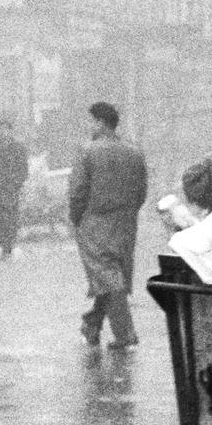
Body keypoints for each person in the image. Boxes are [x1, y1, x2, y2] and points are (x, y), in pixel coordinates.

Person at [68, 102, 148, 350]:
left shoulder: (88, 151)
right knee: (113, 277)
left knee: (109, 278)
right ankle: (91, 326)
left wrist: (76, 218)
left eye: (92, 121)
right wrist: (128, 212)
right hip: (125, 225)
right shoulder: (135, 153)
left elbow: (77, 192)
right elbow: (141, 192)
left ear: (100, 122)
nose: (90, 126)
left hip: (95, 224)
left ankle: (125, 335)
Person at [0, 117, 29, 258]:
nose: (4, 132)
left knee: (11, 216)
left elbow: (23, 169)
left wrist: (16, 184)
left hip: (11, 189)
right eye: (1, 129)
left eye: (6, 129)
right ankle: (0, 243)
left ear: (10, 131)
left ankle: (9, 245)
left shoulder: (18, 148)